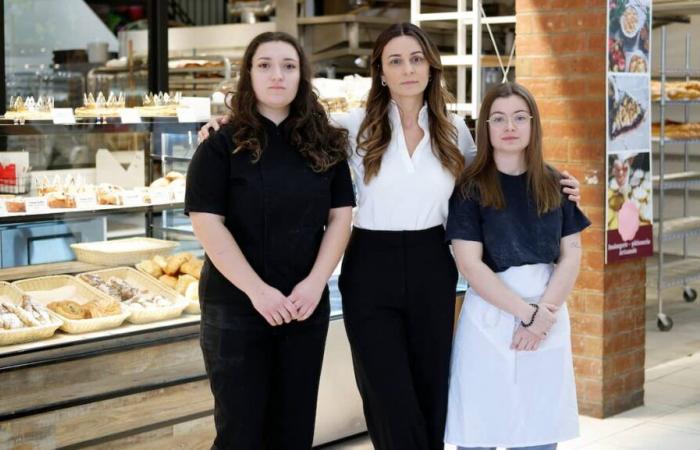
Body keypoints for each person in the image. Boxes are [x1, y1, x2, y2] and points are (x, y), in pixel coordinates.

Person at [199, 23, 581, 450]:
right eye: (395, 61)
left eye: (416, 59)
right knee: (388, 399)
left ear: (431, 67)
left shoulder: (455, 130)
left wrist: (557, 183)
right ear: (380, 71)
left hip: (433, 266)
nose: (407, 70)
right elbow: (288, 121)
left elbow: (495, 175)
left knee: (430, 393)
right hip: (370, 269)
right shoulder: (351, 126)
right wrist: (228, 121)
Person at [185, 31, 355, 450]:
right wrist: (258, 292)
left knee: (294, 430)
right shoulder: (220, 144)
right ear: (248, 74)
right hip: (236, 308)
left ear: (302, 76)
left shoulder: (327, 142)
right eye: (264, 65)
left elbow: (340, 218)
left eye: (288, 66)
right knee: (240, 432)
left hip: (303, 306)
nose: (277, 75)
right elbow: (208, 224)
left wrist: (316, 283)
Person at [444, 82, 591, 450]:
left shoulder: (556, 183)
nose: (510, 126)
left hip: (548, 312)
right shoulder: (470, 187)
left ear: (533, 124)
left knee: (538, 434)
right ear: (485, 127)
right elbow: (470, 264)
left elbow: (571, 253)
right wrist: (527, 314)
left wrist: (543, 316)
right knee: (479, 431)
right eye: (499, 118)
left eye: (519, 118)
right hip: (489, 318)